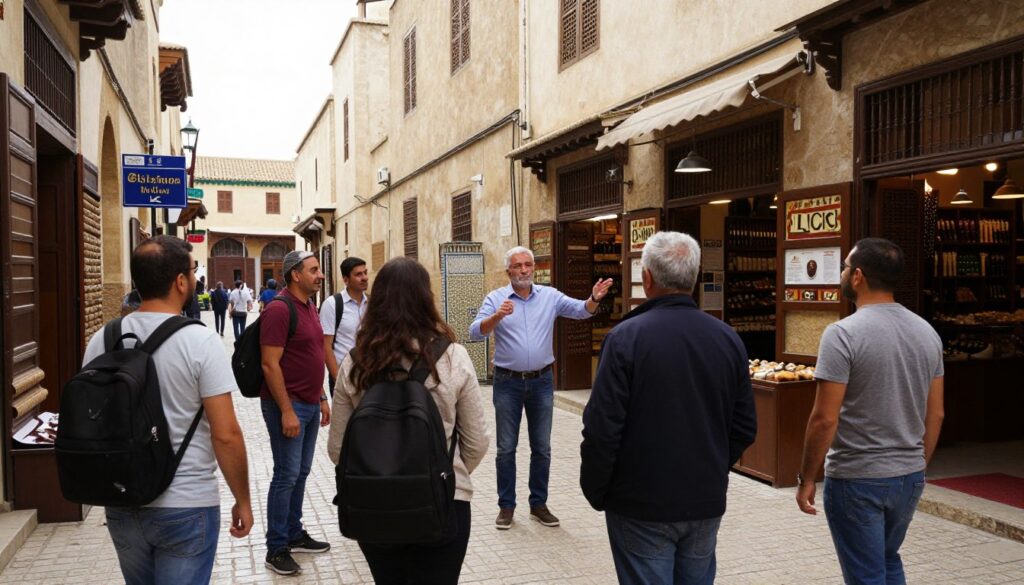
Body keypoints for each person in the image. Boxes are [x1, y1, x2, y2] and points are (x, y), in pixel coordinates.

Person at [580, 231, 756, 584]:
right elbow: (744, 426)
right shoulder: (727, 338)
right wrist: (712, 465)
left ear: (647, 278)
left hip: (640, 501)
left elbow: (602, 428)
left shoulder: (625, 338)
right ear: (693, 278)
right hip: (703, 498)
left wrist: (597, 490)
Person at [83, 236, 252, 584]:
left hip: (121, 499)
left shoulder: (102, 339)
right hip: (187, 504)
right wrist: (243, 500)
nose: (194, 278)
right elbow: (226, 434)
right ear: (179, 281)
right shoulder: (200, 341)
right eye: (192, 271)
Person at [328, 257, 489, 584]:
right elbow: (476, 442)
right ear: (425, 298)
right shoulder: (452, 356)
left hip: (374, 506)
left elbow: (338, 448)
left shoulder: (356, 362)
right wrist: (439, 473)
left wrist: (380, 472)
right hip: (444, 502)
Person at [796, 238, 944, 585]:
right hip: (908, 474)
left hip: (857, 475)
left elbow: (824, 418)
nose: (843, 274)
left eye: (846, 267)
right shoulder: (927, 333)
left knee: (866, 574)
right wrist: (917, 465)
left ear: (858, 276)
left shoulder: (842, 334)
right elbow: (935, 414)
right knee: (887, 561)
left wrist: (806, 477)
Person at [469, 245, 613, 530]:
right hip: (507, 382)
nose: (523, 270)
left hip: (542, 382)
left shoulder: (549, 296)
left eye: (528, 265)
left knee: (542, 448)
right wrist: (497, 317)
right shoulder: (496, 298)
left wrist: (593, 299)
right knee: (506, 448)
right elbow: (474, 333)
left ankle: (538, 504)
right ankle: (506, 506)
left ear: (533, 268)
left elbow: (580, 311)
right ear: (508, 270)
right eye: (518, 265)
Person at [259, 250, 332, 576]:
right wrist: (287, 411)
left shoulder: (309, 306)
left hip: (309, 403)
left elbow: (314, 354)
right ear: (295, 275)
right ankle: (276, 547)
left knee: (301, 472)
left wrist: (322, 397)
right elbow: (269, 364)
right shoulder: (279, 309)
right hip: (286, 406)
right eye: (314, 270)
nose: (320, 275)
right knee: (285, 474)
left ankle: (293, 532)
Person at [319, 257, 369, 395]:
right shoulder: (332, 304)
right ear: (346, 279)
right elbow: (325, 345)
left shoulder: (372, 304)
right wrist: (337, 380)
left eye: (365, 272)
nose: (364, 278)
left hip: (369, 377)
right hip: (343, 375)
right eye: (358, 274)